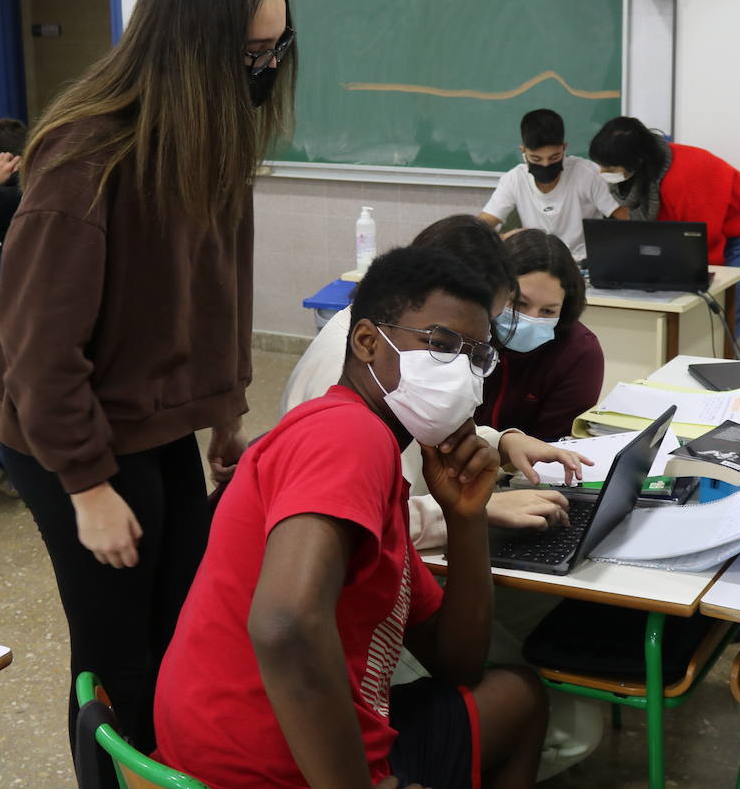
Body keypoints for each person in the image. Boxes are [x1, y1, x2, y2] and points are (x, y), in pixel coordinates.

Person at [0, 0, 297, 768]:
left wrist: (224, 409)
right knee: (116, 655)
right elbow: (37, 351)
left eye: (275, 50)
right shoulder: (86, 155)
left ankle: (165, 770)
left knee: (183, 626)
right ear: (190, 46)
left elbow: (218, 290)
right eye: (249, 52)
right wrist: (88, 485)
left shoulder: (210, 135)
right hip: (68, 433)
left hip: (151, 417)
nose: (264, 69)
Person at [154, 245, 548, 788]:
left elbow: (457, 663)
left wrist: (466, 517)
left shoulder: (380, 462)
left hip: (231, 741)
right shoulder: (349, 433)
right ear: (367, 341)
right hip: (263, 765)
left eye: (477, 356)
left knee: (519, 695)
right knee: (522, 699)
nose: (461, 371)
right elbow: (285, 625)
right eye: (440, 344)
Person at [282, 214, 587, 549]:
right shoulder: (343, 376)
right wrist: (475, 513)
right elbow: (353, 521)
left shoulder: (403, 348)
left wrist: (501, 444)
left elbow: (429, 434)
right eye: (446, 341)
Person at [589, 116, 740, 335]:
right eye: (601, 165)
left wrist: (699, 287)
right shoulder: (645, 171)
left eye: (610, 167)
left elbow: (704, 246)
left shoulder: (686, 178)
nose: (602, 172)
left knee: (718, 328)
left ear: (637, 160)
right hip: (706, 236)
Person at [479, 230, 603, 441]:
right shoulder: (466, 333)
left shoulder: (579, 353)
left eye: (548, 311)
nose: (531, 318)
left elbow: (553, 445)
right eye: (519, 303)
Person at [479, 108, 627, 261]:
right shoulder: (514, 179)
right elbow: (479, 228)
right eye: (536, 159)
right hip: (537, 262)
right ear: (523, 151)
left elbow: (628, 222)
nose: (545, 164)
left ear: (564, 148)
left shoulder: (588, 174)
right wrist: (506, 238)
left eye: (554, 157)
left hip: (583, 261)